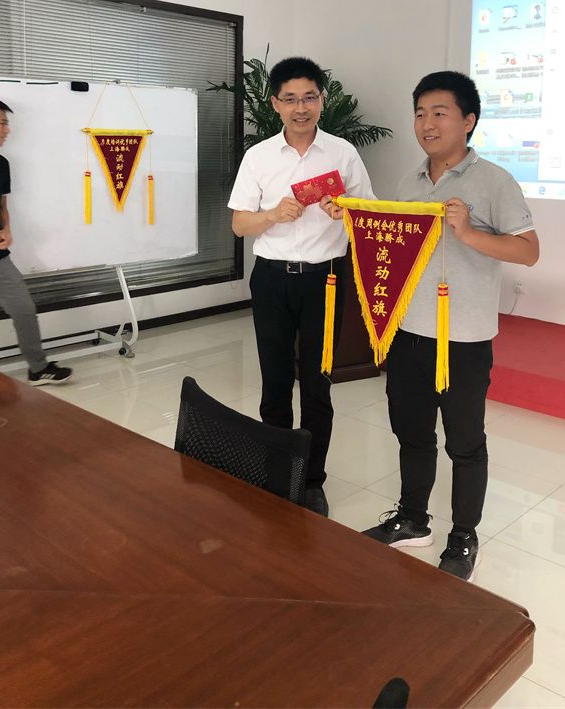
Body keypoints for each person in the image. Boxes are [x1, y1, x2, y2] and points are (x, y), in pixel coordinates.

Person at [362, 72, 539, 579]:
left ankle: (463, 536)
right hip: (409, 332)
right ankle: (413, 519)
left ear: (468, 121)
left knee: (465, 442)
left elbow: (528, 251)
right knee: (411, 433)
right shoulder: (409, 182)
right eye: (420, 113)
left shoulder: (495, 181)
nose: (427, 123)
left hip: (463, 339)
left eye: (439, 113)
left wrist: (468, 233)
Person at [228, 57, 374, 516]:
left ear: (322, 100)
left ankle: (311, 480)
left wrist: (345, 210)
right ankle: (277, 473)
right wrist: (272, 214)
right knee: (274, 381)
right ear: (275, 104)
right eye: (290, 99)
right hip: (272, 278)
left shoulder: (342, 154)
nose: (301, 107)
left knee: (317, 385)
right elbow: (239, 225)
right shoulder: (258, 157)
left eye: (309, 97)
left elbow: (368, 217)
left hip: (325, 280)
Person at [0, 97, 72, 386]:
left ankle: (38, 368)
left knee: (24, 309)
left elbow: (1, 205)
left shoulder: (0, 164)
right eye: (2, 123)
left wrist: (7, 229)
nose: (7, 130)